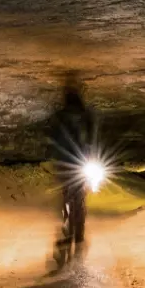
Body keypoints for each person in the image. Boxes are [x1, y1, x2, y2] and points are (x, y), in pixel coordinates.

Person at [48, 73, 97, 267]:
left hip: (65, 165)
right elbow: (92, 141)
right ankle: (76, 234)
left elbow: (54, 141)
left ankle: (67, 229)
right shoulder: (86, 116)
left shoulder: (60, 117)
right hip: (79, 164)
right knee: (79, 199)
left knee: (67, 198)